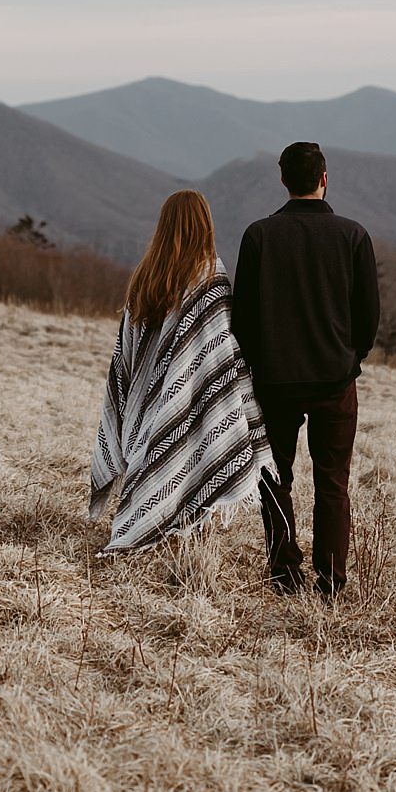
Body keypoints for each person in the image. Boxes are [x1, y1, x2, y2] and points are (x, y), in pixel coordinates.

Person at [89, 190, 275, 555]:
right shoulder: (211, 276)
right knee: (196, 459)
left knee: (153, 457)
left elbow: (126, 351)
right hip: (199, 396)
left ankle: (153, 528)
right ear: (204, 225)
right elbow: (223, 346)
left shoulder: (146, 274)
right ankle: (186, 537)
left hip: (145, 404)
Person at [231, 141, 380, 594]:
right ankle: (331, 580)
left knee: (275, 477)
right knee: (332, 482)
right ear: (324, 178)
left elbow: (243, 318)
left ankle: (284, 571)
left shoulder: (259, 235)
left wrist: (261, 364)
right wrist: (351, 359)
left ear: (283, 181)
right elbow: (368, 314)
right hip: (335, 379)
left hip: (274, 381)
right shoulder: (353, 236)